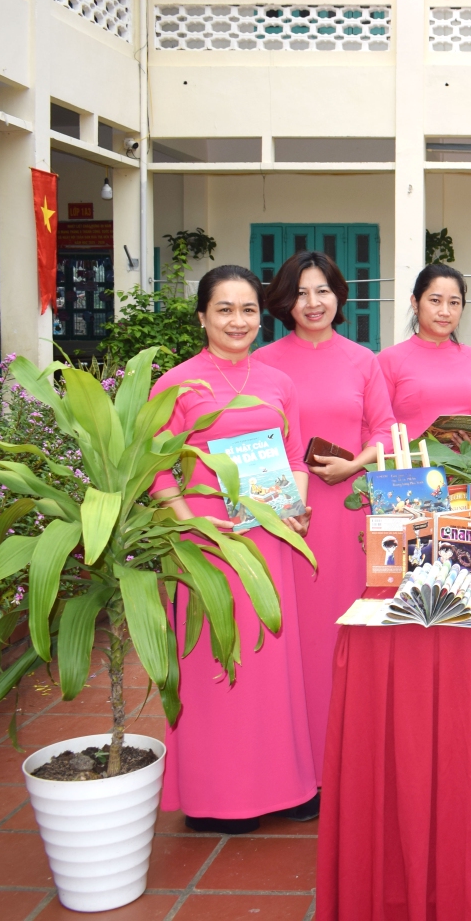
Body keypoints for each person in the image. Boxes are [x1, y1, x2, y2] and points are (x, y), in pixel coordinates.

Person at [149, 264, 317, 834]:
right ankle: (218, 797)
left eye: (248, 310)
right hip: (207, 545)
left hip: (269, 540)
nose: (237, 321)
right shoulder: (176, 384)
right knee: (217, 666)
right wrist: (192, 523)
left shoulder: (277, 381)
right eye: (224, 309)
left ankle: (283, 786)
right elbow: (156, 470)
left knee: (272, 665)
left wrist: (297, 506)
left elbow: (294, 454)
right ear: (202, 317)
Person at [253, 250, 398, 783]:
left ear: (338, 295)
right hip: (286, 521)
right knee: (294, 641)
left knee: (346, 637)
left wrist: (355, 464)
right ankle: (296, 768)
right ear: (283, 301)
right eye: (300, 293)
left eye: (322, 291)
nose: (312, 303)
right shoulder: (263, 362)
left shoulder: (363, 360)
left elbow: (384, 430)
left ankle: (348, 766)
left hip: (347, 515)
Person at [377, 264, 471, 440]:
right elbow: (373, 429)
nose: (445, 312)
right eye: (435, 300)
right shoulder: (390, 359)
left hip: (469, 459)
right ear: (415, 303)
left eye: (454, 303)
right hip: (410, 459)